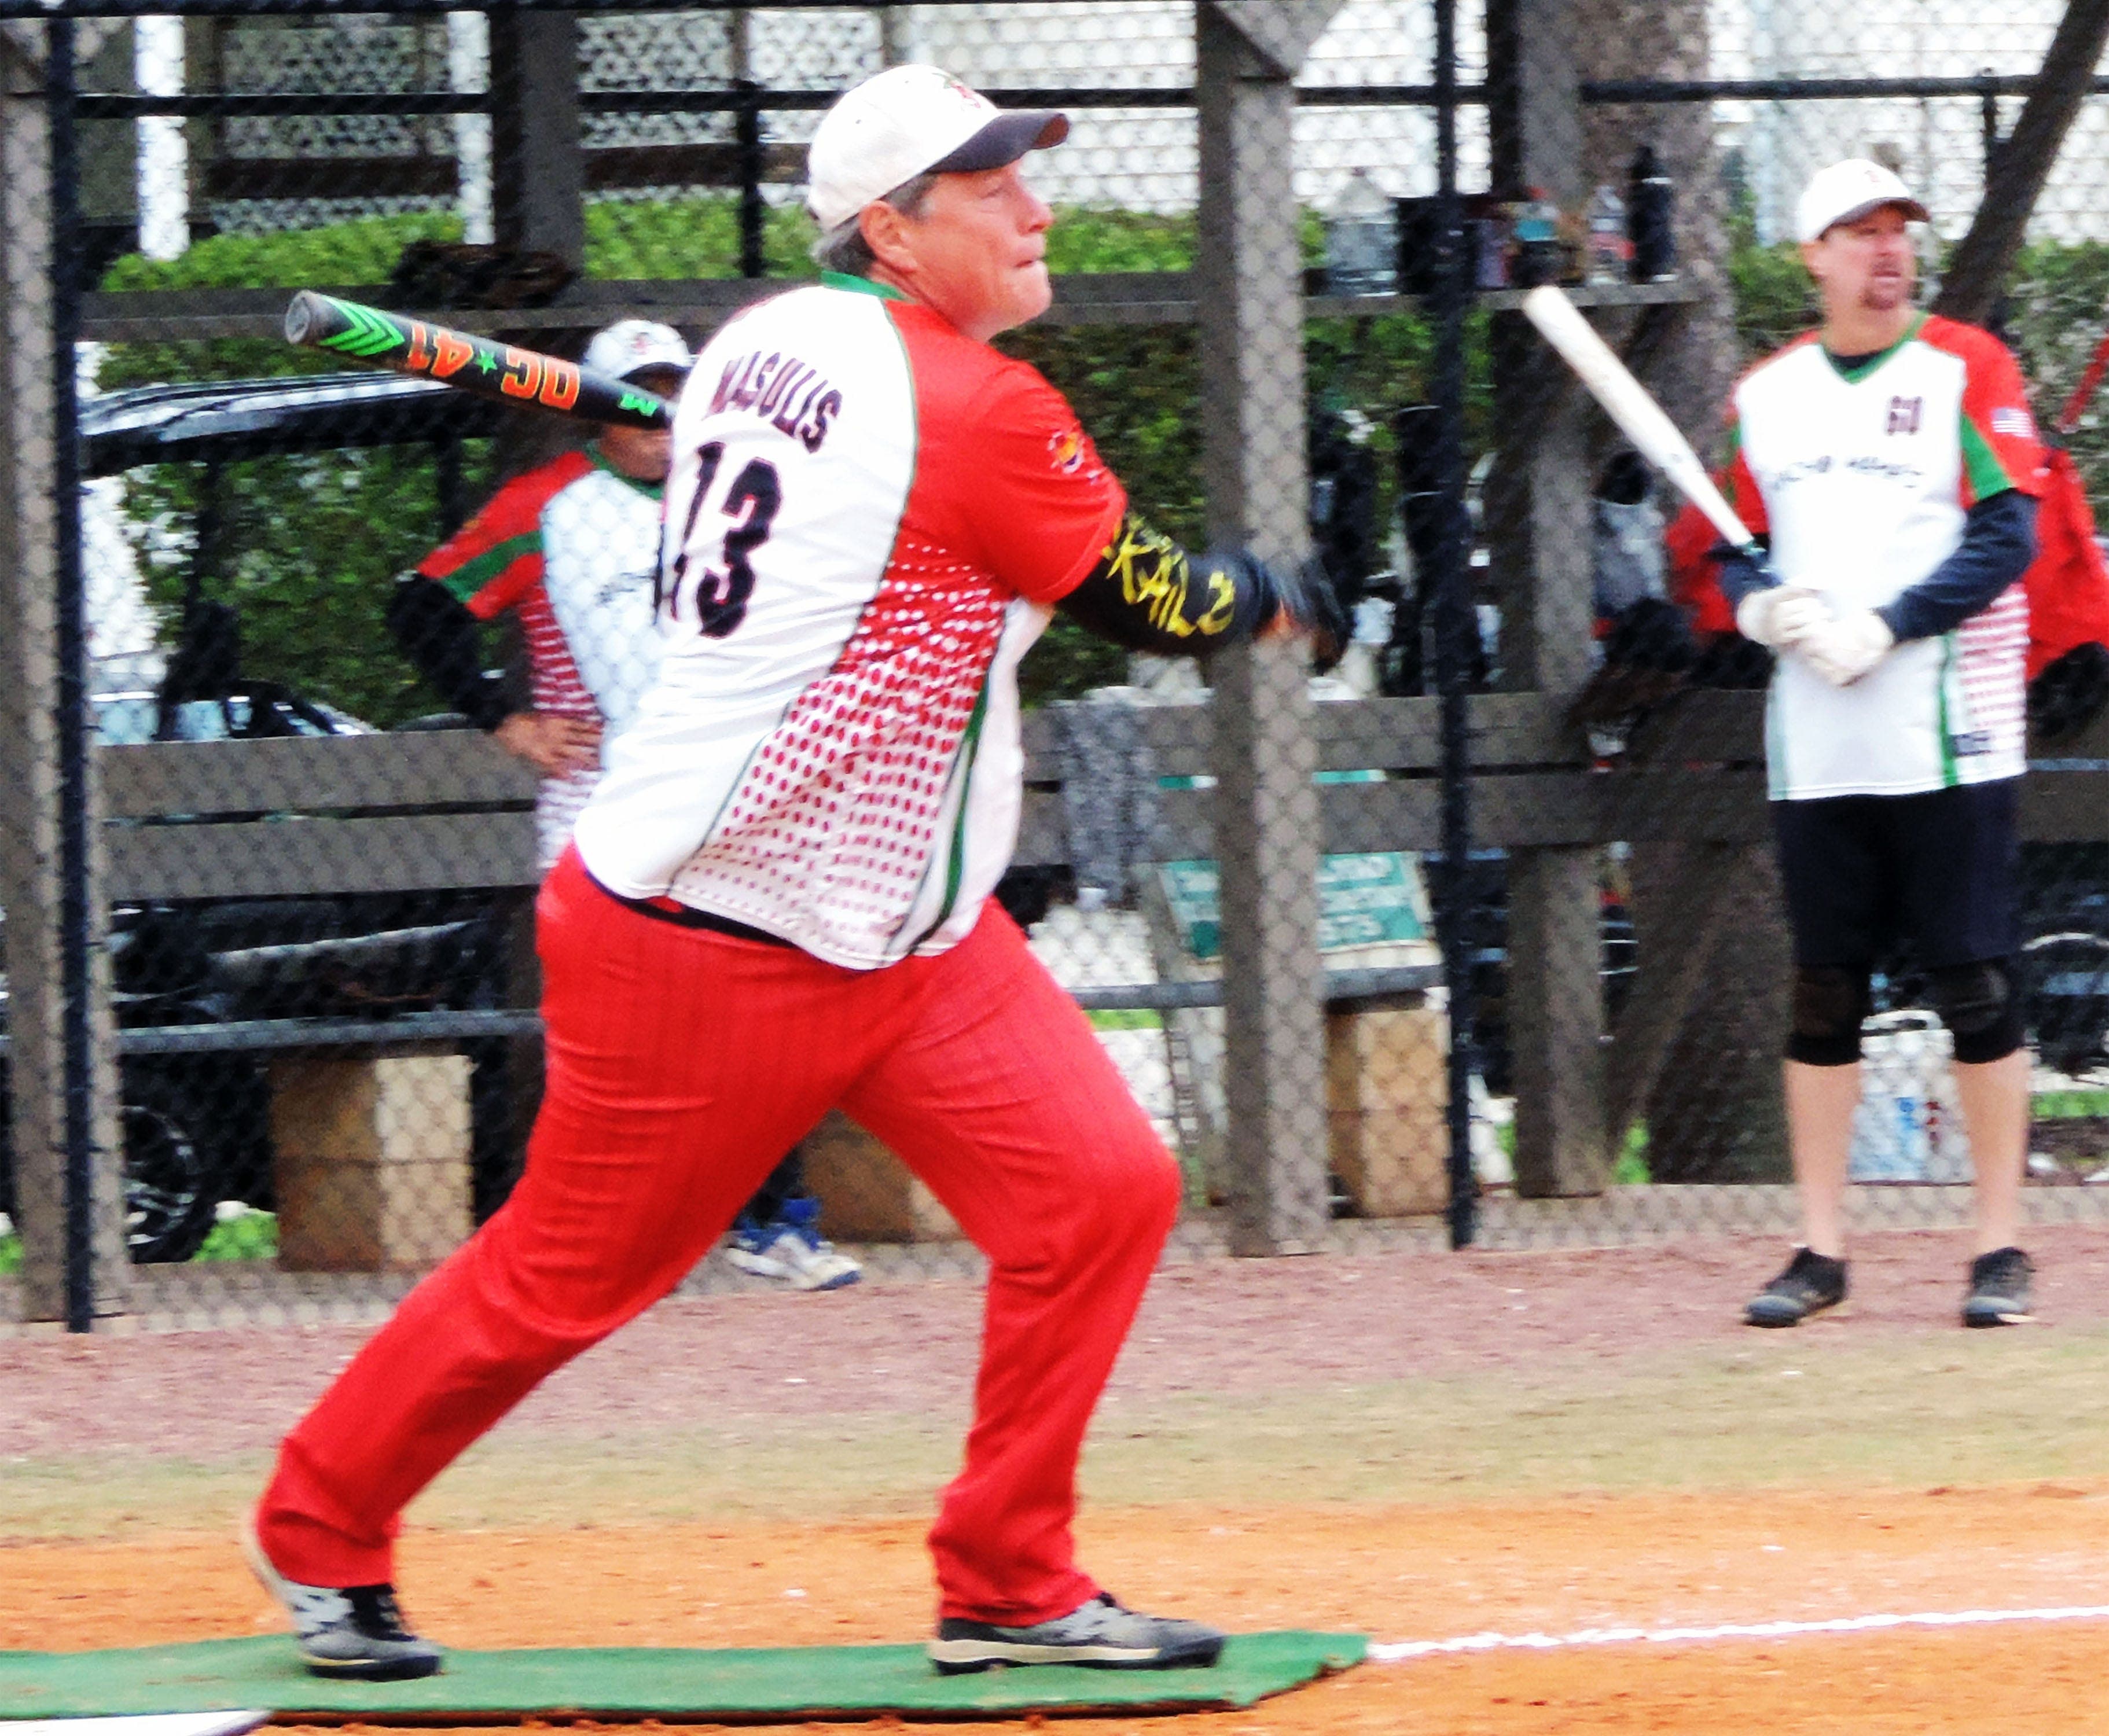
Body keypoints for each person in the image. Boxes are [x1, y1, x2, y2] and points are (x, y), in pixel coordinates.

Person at [245, 62, 1341, 1682]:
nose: (1036, 210)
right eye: (991, 193)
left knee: (1101, 1193)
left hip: (904, 929)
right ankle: (319, 1530)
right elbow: (1155, 604)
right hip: (710, 929)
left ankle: (1005, 1579)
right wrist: (1271, 586)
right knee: (564, 1281)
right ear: (891, 232)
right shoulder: (976, 409)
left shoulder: (763, 343)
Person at [386, 322, 861, 1293]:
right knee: (609, 1027)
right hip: (598, 802)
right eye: (631, 397)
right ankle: (591, 1241)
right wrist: (503, 717)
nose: (656, 417)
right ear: (591, 410)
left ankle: (775, 1222)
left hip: (729, 795)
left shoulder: (744, 496)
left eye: (672, 393)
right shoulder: (545, 506)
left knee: (756, 1012)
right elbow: (419, 610)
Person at [1713, 159, 2046, 1329]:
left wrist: (1888, 622)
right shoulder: (1767, 395)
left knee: (1972, 980)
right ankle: (1818, 1250)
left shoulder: (1967, 366)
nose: (1885, 250)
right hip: (1816, 741)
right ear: (1812, 256)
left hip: (1941, 733)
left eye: (1899, 230)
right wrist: (1763, 608)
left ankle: (1998, 1247)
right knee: (1821, 991)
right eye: (1856, 233)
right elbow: (1732, 543)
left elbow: (2009, 531)